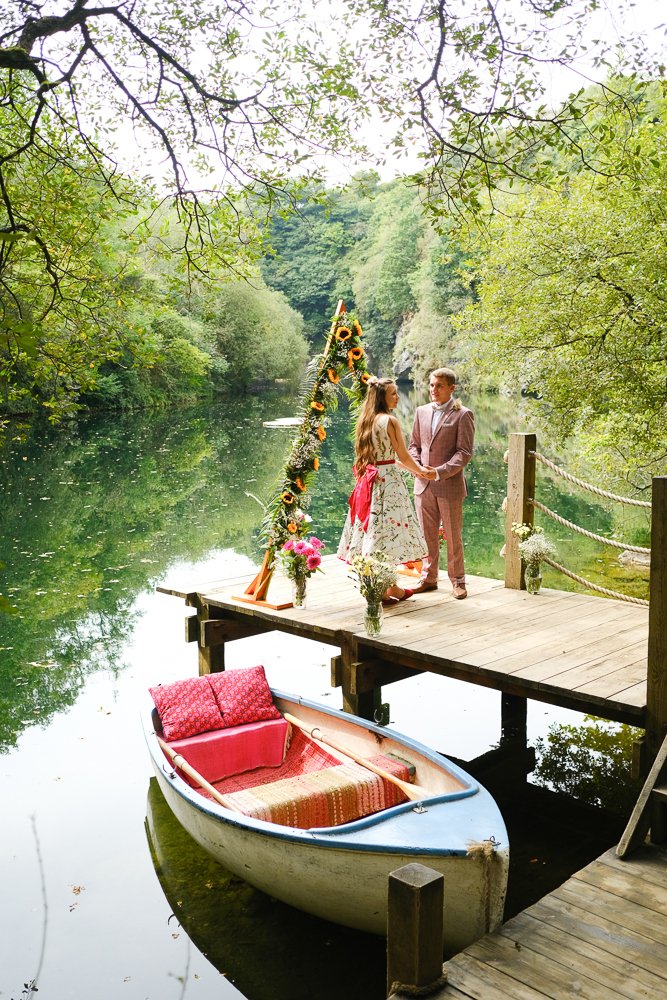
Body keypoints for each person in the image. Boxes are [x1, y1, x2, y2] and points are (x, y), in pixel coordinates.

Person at [337, 377, 432, 604]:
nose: (398, 397)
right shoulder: (390, 421)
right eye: (393, 394)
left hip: (371, 480)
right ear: (382, 397)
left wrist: (408, 468)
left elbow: (383, 458)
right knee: (389, 532)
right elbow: (402, 454)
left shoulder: (366, 421)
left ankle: (388, 587)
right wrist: (420, 471)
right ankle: (386, 588)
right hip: (388, 484)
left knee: (377, 533)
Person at [408, 367, 475, 599]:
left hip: (448, 485)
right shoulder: (421, 411)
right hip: (422, 485)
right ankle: (428, 577)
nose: (433, 390)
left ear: (451, 388)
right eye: (431, 385)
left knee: (453, 535)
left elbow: (464, 453)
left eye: (439, 386)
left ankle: (458, 581)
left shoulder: (463, 414)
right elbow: (413, 446)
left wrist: (437, 472)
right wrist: (417, 469)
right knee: (427, 535)